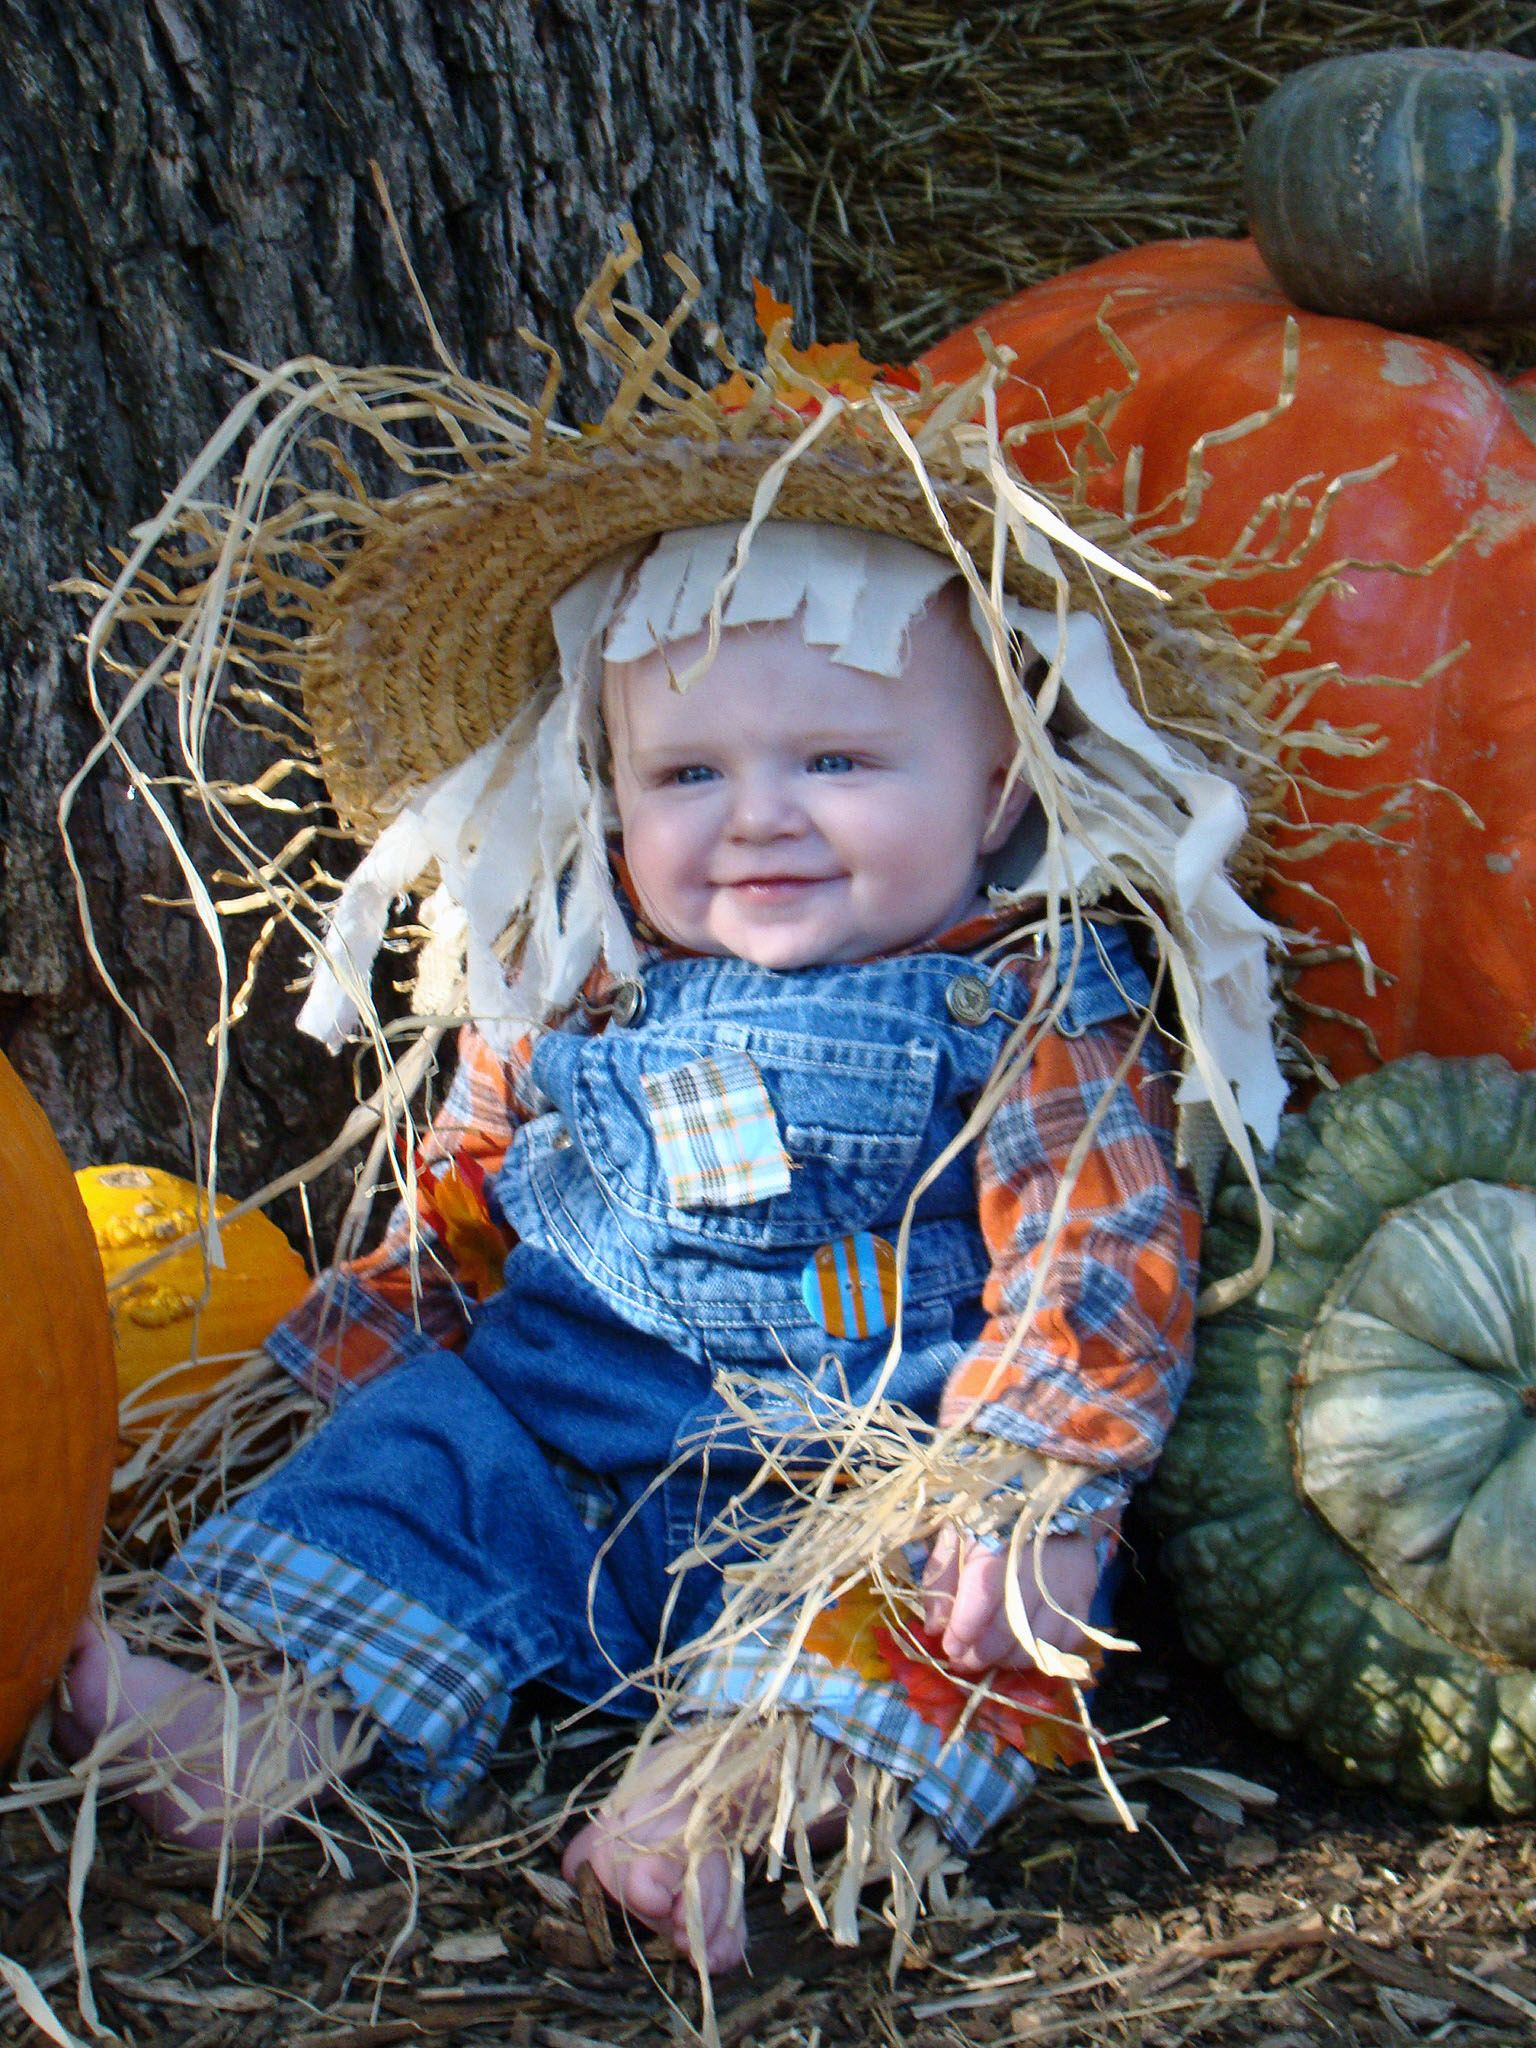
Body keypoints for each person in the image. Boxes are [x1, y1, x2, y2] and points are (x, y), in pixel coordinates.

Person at [57, 247, 1283, 1976]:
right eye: (688, 776)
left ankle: (717, 1820)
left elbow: (1102, 1247)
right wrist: (308, 1390)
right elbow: (467, 1213)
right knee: (404, 1480)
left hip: (847, 1484)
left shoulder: (1020, 1002)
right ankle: (262, 1724)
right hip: (554, 1446)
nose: (759, 820)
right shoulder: (577, 979)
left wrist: (1035, 1491)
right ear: (606, 794)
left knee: (922, 1641)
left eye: (839, 764)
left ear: (1002, 782)